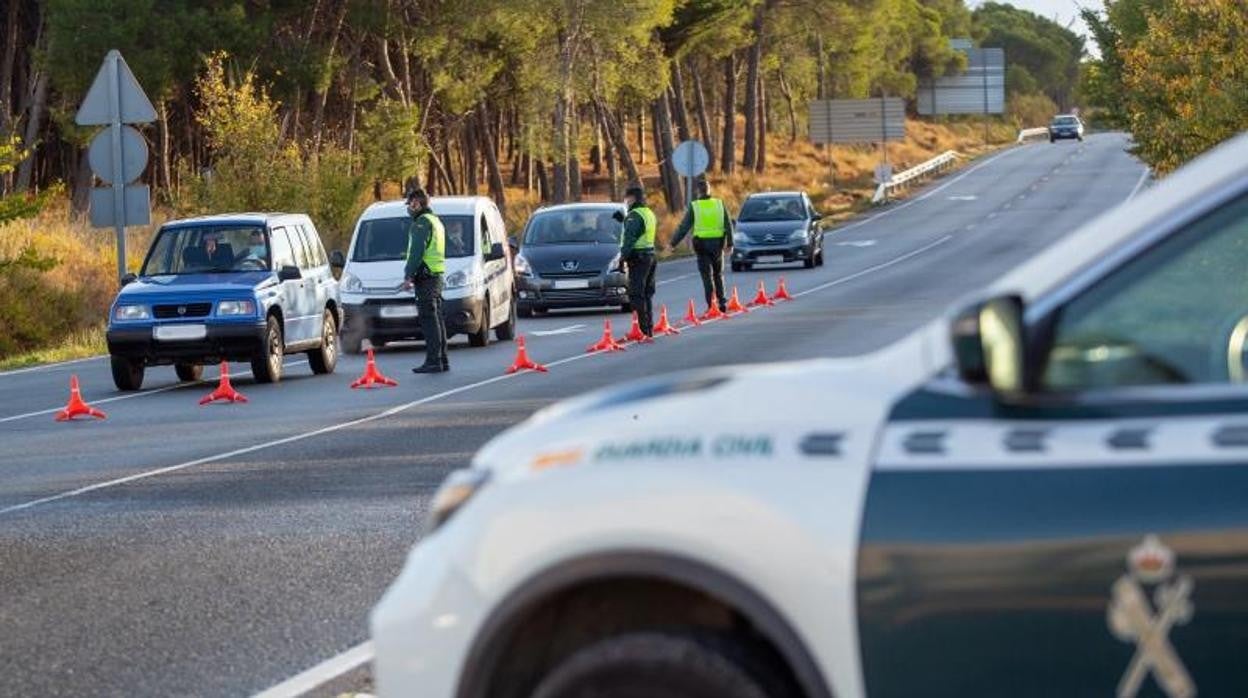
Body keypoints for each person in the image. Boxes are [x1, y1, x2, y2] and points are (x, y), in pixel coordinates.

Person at [668, 178, 733, 313]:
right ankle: (722, 302)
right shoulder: (719, 204)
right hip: (718, 244)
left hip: (702, 246)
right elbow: (728, 224)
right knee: (718, 274)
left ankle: (711, 305)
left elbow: (683, 227)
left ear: (698, 192)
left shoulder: (695, 206)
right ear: (709, 191)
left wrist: (673, 243)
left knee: (706, 276)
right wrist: (730, 243)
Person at [402, 187, 449, 374]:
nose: (408, 208)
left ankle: (433, 361)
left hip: (426, 276)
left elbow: (416, 252)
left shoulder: (421, 223)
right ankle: (442, 359)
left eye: (410, 204)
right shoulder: (436, 221)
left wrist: (408, 275)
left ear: (416, 203)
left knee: (429, 321)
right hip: (436, 275)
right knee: (437, 318)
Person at [616, 185, 658, 336]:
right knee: (647, 294)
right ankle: (649, 328)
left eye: (626, 198)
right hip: (650, 256)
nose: (625, 201)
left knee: (636, 294)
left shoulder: (635, 215)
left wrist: (622, 258)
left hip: (639, 259)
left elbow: (630, 239)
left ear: (632, 198)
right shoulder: (648, 213)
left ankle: (641, 329)